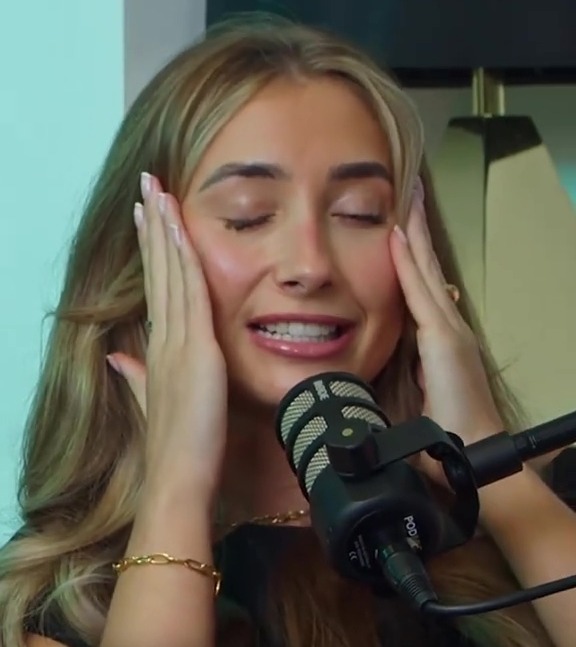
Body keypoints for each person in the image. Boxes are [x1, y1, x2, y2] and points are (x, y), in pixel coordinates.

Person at [1, 13, 576, 647]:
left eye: (357, 213)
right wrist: (178, 488)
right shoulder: (62, 599)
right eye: (249, 217)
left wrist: (490, 464)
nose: (310, 265)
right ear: (142, 259)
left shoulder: (544, 506)